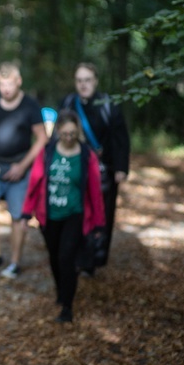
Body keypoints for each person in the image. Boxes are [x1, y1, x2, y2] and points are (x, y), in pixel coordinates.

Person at [21, 110, 106, 322]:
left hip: (74, 214)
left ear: (78, 132)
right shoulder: (47, 152)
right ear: (58, 131)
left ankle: (67, 307)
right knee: (54, 257)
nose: (69, 138)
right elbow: (35, 182)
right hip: (49, 215)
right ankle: (61, 291)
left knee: (66, 257)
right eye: (65, 133)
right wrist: (26, 213)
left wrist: (99, 223)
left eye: (72, 134)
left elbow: (95, 191)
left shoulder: (87, 156)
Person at [0, 62, 48, 278]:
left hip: (20, 168)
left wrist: (23, 165)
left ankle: (14, 262)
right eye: (1, 84)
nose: (5, 89)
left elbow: (42, 137)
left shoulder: (30, 105)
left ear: (18, 82)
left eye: (9, 84)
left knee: (18, 216)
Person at [60, 62, 130, 270]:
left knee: (103, 215)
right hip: (75, 170)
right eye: (79, 80)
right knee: (76, 213)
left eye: (87, 80)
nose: (83, 84)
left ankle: (97, 259)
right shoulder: (68, 103)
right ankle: (77, 256)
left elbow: (121, 139)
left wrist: (121, 168)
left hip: (103, 172)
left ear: (95, 81)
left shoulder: (108, 105)